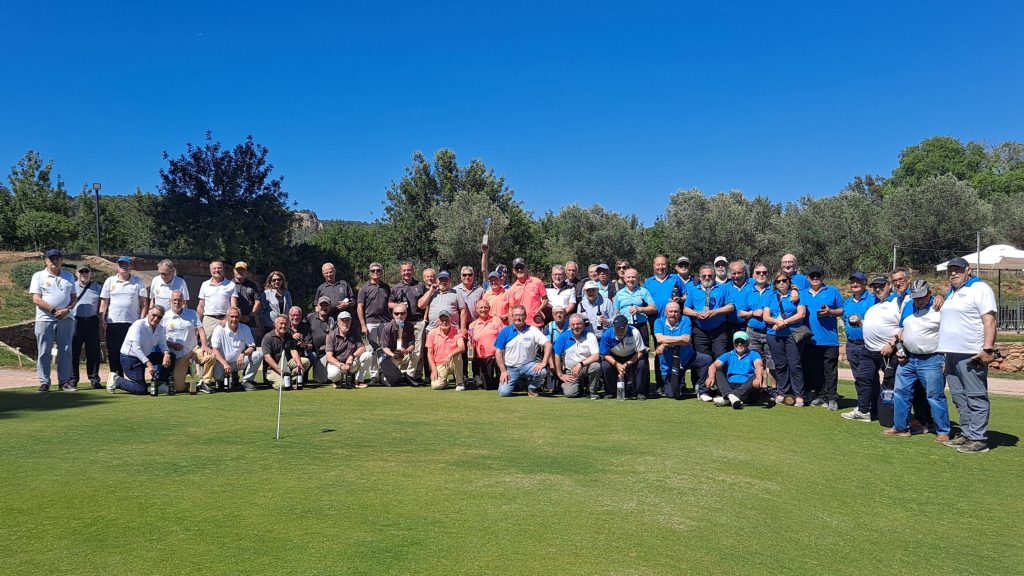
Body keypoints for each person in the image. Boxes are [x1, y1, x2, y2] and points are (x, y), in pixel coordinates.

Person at [937, 257, 998, 453]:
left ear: (968, 270)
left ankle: (978, 439)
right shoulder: (952, 292)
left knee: (975, 396)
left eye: (958, 269)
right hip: (952, 354)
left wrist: (987, 349)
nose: (953, 273)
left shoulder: (980, 288)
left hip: (971, 354)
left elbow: (989, 320)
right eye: (951, 270)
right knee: (959, 398)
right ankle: (966, 434)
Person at [883, 280, 952, 442]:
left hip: (932, 359)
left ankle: (943, 431)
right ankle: (900, 427)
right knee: (900, 393)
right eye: (916, 297)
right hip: (908, 359)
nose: (919, 300)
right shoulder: (908, 306)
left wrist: (947, 358)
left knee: (935, 396)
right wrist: (899, 349)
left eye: (922, 296)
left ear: (929, 293)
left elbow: (950, 333)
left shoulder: (939, 308)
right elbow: (902, 331)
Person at [844, 276, 899, 422]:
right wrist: (860, 323)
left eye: (881, 286)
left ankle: (893, 415)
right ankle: (864, 411)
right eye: (875, 287)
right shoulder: (875, 305)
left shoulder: (898, 301)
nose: (878, 289)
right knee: (863, 379)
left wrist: (892, 343)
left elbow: (905, 326)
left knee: (891, 384)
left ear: (889, 285)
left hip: (888, 351)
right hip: (869, 350)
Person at [683, 265, 735, 401]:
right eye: (704, 276)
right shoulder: (693, 290)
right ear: (700, 277)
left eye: (710, 276)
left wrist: (715, 312)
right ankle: (704, 390)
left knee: (720, 358)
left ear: (714, 276)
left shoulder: (722, 288)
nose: (707, 278)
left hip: (719, 330)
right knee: (704, 360)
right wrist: (696, 314)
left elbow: (730, 307)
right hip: (700, 331)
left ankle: (721, 388)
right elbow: (685, 309)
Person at [30, 249, 78, 392]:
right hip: (45, 319)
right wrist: (53, 310)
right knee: (44, 351)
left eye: (57, 258)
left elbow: (74, 297)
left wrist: (67, 310)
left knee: (66, 351)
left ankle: (64, 382)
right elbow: (36, 298)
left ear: (61, 260)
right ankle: (44, 382)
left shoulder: (68, 276)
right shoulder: (38, 276)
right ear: (46, 261)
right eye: (51, 259)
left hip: (66, 318)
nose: (54, 261)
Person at [801, 266, 844, 411]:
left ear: (822, 277)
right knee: (815, 371)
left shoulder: (832, 291)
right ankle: (821, 395)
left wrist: (830, 311)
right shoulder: (802, 293)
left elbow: (842, 310)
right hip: (810, 340)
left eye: (818, 276)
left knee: (830, 371)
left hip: (829, 340)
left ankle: (832, 398)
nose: (815, 278)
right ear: (808, 278)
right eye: (812, 276)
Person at [763, 271, 807, 406]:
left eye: (784, 280)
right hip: (774, 335)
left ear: (789, 282)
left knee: (795, 364)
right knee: (780, 365)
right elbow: (766, 316)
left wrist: (784, 322)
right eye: (778, 281)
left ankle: (799, 394)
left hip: (792, 334)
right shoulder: (770, 296)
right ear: (775, 284)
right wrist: (777, 322)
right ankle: (782, 392)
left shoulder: (797, 296)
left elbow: (801, 314)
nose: (781, 283)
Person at [100, 255, 148, 378]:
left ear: (131, 266)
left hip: (132, 323)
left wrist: (141, 321)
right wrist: (102, 319)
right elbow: (104, 302)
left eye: (126, 264)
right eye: (121, 264)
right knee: (113, 351)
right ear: (117, 266)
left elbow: (144, 303)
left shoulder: (138, 281)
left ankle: (133, 377)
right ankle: (115, 377)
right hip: (113, 322)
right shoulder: (110, 281)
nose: (124, 266)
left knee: (132, 350)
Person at [106, 305, 173, 395]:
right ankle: (116, 379)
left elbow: (163, 345)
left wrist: (166, 354)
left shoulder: (160, 328)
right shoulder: (138, 325)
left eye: (159, 317)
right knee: (140, 389)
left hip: (146, 356)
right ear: (148, 313)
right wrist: (149, 364)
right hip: (130, 358)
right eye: (154, 315)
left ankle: (160, 384)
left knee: (171, 356)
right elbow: (136, 348)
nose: (156, 319)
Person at [644, 255, 687, 394]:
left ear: (667, 265)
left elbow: (686, 295)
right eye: (658, 264)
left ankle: (679, 382)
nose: (660, 267)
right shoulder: (648, 282)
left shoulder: (675, 279)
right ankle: (660, 383)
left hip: (675, 320)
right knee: (659, 351)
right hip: (657, 321)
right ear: (653, 266)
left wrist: (679, 299)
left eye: (663, 264)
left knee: (677, 350)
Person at [654, 301, 712, 399]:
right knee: (672, 395)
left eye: (676, 311)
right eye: (670, 311)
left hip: (687, 358)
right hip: (669, 366)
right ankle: (676, 386)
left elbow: (687, 339)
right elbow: (659, 339)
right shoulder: (658, 322)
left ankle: (702, 391)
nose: (673, 314)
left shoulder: (685, 320)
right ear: (665, 312)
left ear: (680, 312)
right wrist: (678, 340)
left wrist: (665, 343)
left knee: (706, 359)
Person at [162, 290, 216, 394]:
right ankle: (190, 382)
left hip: (194, 350)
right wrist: (172, 344)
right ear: (170, 301)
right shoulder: (164, 316)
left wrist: (204, 345)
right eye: (174, 300)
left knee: (211, 356)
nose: (177, 302)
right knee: (178, 388)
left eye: (179, 300)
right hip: (178, 356)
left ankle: (205, 383)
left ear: (183, 301)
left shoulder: (192, 313)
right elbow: (160, 338)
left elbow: (201, 330)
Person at [842, 272, 879, 420]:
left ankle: (872, 408)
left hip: (867, 345)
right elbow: (845, 318)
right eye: (853, 282)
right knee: (859, 378)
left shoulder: (873, 299)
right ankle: (864, 406)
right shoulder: (847, 302)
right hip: (851, 344)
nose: (855, 284)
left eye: (858, 281)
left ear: (865, 283)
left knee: (869, 378)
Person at [495, 305, 551, 397]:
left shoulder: (533, 330)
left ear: (525, 316)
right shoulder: (505, 331)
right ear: (512, 316)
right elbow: (498, 352)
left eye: (521, 315)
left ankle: (531, 388)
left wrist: (543, 363)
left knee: (542, 371)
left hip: (528, 366)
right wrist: (503, 371)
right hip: (511, 368)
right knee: (504, 393)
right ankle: (522, 383)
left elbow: (548, 344)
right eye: (516, 315)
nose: (518, 318)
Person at [705, 331, 770, 408]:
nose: (739, 344)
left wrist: (758, 378)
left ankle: (728, 398)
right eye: (737, 342)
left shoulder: (754, 354)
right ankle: (732, 396)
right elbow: (713, 366)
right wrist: (711, 377)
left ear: (748, 343)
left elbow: (759, 365)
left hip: (748, 387)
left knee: (758, 373)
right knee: (717, 371)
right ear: (733, 343)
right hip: (730, 386)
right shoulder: (728, 355)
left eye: (742, 342)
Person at [736, 263, 776, 390]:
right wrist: (753, 313)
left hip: (770, 331)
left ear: (768, 274)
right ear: (753, 275)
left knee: (772, 362)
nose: (761, 275)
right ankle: (761, 388)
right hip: (752, 332)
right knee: (756, 361)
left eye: (764, 272)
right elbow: (740, 312)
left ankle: (774, 389)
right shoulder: (748, 291)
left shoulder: (774, 290)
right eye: (758, 272)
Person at [389, 261, 428, 382]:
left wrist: (425, 319)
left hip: (418, 322)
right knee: (403, 349)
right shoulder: (396, 288)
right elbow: (389, 303)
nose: (407, 272)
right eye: (404, 270)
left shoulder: (420, 285)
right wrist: (398, 306)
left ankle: (416, 375)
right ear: (401, 272)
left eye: (409, 270)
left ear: (413, 271)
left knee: (418, 351)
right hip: (403, 323)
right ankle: (403, 373)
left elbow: (427, 303)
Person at [210, 307, 261, 392]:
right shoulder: (219, 329)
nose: (234, 319)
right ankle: (221, 381)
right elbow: (215, 350)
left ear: (240, 318)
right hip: (222, 364)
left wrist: (243, 354)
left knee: (258, 355)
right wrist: (224, 364)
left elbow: (252, 346)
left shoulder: (245, 328)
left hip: (239, 363)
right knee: (218, 376)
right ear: (227, 317)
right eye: (232, 316)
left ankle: (247, 381)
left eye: (236, 317)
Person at [600, 314, 650, 400]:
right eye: (617, 329)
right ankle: (611, 392)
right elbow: (605, 354)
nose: (619, 331)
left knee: (641, 364)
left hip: (632, 356)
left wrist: (627, 363)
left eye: (622, 329)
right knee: (605, 366)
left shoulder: (635, 332)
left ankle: (639, 392)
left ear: (627, 326)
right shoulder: (607, 334)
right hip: (614, 357)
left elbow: (640, 352)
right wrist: (617, 364)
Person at [552, 313, 602, 398]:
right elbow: (556, 355)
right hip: (571, 371)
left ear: (583, 325)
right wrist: (560, 375)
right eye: (573, 324)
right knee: (570, 394)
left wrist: (580, 364)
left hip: (586, 367)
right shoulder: (564, 336)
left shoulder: (590, 336)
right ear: (569, 325)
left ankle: (591, 392)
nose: (575, 326)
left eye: (578, 324)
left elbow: (596, 356)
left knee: (596, 366)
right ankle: (573, 386)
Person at [71, 263, 102, 389]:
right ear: (76, 273)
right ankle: (73, 379)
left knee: (93, 351)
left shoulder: (97, 287)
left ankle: (94, 379)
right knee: (74, 351)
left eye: (86, 271)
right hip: (75, 321)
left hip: (92, 321)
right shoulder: (71, 287)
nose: (84, 274)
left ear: (90, 273)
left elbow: (102, 305)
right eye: (81, 272)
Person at [261, 315, 309, 390]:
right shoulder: (268, 337)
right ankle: (276, 380)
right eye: (281, 323)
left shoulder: (289, 336)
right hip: (272, 368)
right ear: (275, 324)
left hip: (286, 364)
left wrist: (299, 364)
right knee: (283, 386)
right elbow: (267, 357)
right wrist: (279, 370)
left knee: (305, 361)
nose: (283, 326)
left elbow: (293, 351)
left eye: (286, 324)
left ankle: (289, 379)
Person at [324, 311, 372, 388]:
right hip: (338, 364)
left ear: (350, 321)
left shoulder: (354, 332)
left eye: (347, 320)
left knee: (368, 355)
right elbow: (329, 357)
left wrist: (352, 356)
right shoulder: (331, 336)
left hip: (351, 363)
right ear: (338, 322)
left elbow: (362, 348)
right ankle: (338, 381)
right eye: (342, 320)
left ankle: (358, 381)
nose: (345, 323)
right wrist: (340, 365)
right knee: (333, 374)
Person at [613, 268, 656, 346]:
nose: (631, 279)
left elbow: (653, 308)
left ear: (637, 278)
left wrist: (640, 309)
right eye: (628, 277)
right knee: (628, 348)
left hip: (641, 325)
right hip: (625, 325)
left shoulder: (643, 291)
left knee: (644, 348)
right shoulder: (619, 294)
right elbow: (615, 311)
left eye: (633, 277)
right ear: (624, 279)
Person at [377, 304, 417, 386]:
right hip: (390, 356)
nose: (399, 316)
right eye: (397, 313)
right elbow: (384, 347)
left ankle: (409, 376)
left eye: (402, 313)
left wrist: (407, 350)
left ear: (406, 314)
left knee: (416, 354)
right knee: (393, 382)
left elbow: (412, 345)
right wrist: (394, 355)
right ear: (393, 314)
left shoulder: (410, 326)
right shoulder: (387, 327)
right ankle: (383, 375)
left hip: (403, 354)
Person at [196, 260, 238, 339]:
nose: (216, 270)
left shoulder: (231, 285)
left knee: (226, 342)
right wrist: (198, 323)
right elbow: (201, 306)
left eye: (219, 268)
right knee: (207, 343)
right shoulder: (205, 285)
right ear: (210, 270)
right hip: (208, 320)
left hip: (225, 319)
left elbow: (233, 306)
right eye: (214, 268)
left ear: (223, 270)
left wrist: (227, 319)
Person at [426, 309, 466, 390]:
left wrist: (450, 355)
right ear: (438, 321)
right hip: (440, 364)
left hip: (452, 362)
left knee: (457, 355)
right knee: (436, 386)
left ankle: (459, 382)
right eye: (442, 320)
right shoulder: (432, 333)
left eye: (447, 320)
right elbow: (429, 353)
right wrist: (433, 369)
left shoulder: (457, 331)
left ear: (451, 320)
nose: (444, 322)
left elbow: (462, 347)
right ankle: (444, 381)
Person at [469, 299, 504, 391]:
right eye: (481, 308)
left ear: (489, 308)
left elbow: (503, 337)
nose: (483, 309)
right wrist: (470, 347)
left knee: (502, 382)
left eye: (485, 307)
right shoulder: (472, 325)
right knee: (488, 386)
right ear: (477, 310)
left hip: (497, 355)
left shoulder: (496, 320)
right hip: (483, 357)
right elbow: (471, 342)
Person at [721, 260, 753, 350]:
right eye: (734, 273)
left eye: (739, 273)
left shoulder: (753, 283)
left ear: (745, 272)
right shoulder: (726, 287)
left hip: (749, 326)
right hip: (730, 326)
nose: (736, 276)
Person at [507, 258, 548, 328]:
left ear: (526, 268)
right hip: (520, 325)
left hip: (536, 323)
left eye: (521, 267)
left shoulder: (537, 282)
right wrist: (511, 327)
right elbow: (511, 309)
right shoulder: (512, 289)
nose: (519, 270)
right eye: (517, 268)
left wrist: (538, 311)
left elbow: (545, 299)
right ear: (514, 271)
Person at [357, 262, 392, 341]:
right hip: (370, 322)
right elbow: (359, 307)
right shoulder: (364, 289)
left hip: (385, 321)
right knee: (372, 346)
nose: (375, 272)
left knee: (385, 345)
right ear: (370, 273)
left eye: (378, 270)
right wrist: (363, 325)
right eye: (373, 271)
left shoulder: (386, 287)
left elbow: (390, 304)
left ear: (382, 272)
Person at [306, 297, 337, 383]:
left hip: (327, 353)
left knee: (321, 380)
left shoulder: (333, 320)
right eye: (321, 305)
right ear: (317, 306)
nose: (324, 307)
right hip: (313, 352)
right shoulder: (310, 317)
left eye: (326, 305)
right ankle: (303, 377)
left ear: (330, 307)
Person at [232, 262, 262, 339]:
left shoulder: (252, 285)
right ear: (234, 271)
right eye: (238, 270)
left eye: (242, 270)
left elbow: (258, 302)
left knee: (251, 344)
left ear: (246, 272)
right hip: (233, 321)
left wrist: (249, 316)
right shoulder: (229, 285)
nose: (240, 272)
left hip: (250, 321)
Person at [259, 270, 292, 336]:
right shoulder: (265, 294)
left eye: (279, 279)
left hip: (284, 325)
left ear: (282, 281)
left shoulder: (287, 293)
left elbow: (290, 309)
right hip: (270, 325)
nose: (277, 281)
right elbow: (261, 312)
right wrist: (261, 325)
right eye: (274, 280)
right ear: (270, 282)